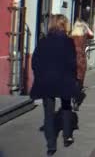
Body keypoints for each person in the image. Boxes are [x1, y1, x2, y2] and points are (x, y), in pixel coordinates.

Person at [30, 14, 79, 156]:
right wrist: (74, 78)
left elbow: (35, 62)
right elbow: (72, 62)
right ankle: (67, 136)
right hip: (64, 80)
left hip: (46, 81)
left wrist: (40, 76)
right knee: (65, 106)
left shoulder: (43, 41)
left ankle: (51, 145)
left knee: (48, 113)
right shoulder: (68, 42)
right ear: (64, 25)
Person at [70, 19, 93, 111]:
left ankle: (72, 96)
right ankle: (75, 100)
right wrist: (86, 27)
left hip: (71, 59)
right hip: (81, 60)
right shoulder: (84, 36)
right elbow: (91, 34)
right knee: (80, 80)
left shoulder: (71, 36)